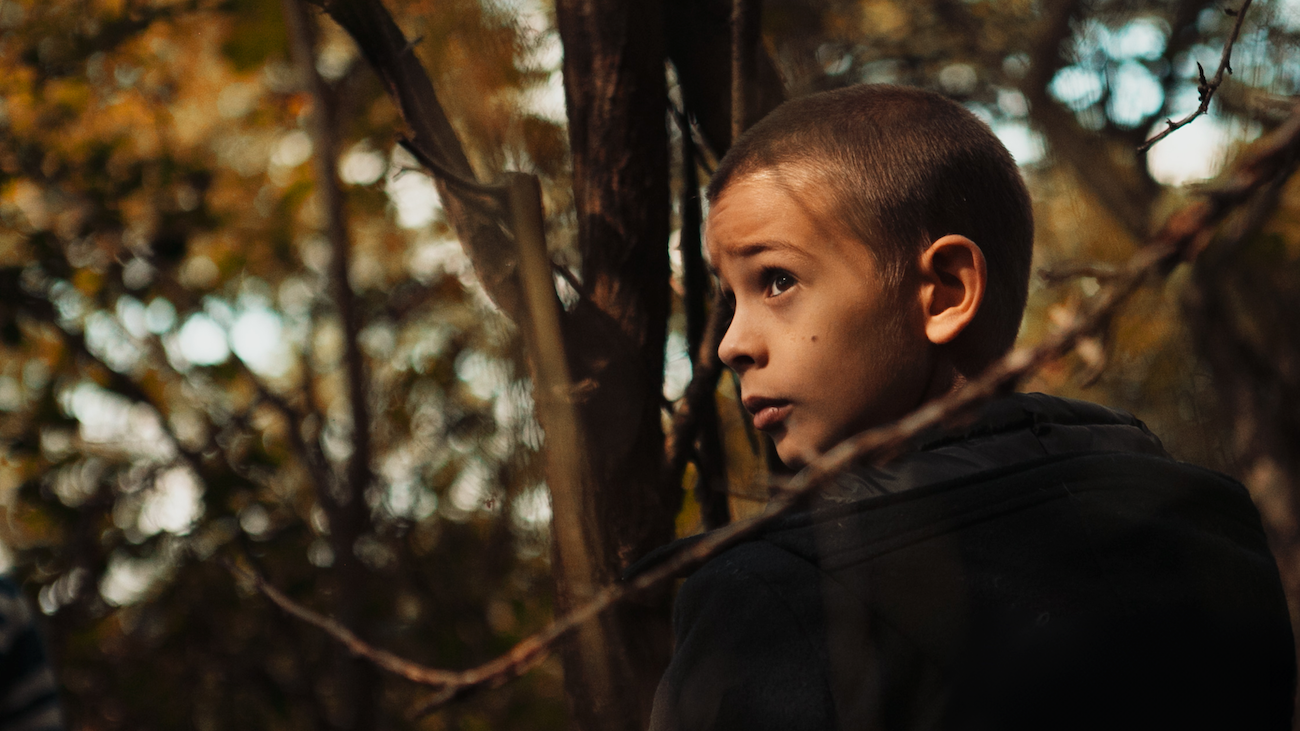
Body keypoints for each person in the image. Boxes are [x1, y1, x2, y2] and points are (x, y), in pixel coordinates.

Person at [636, 85, 1295, 731]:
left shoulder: (775, 596)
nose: (731, 343)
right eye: (730, 297)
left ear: (946, 290)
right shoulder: (1212, 530)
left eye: (777, 281)